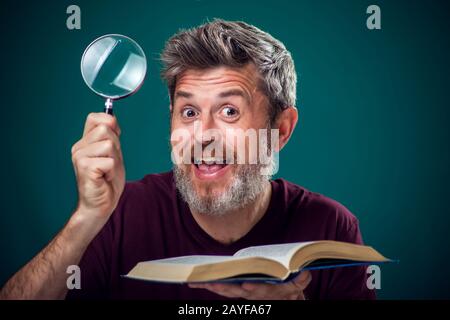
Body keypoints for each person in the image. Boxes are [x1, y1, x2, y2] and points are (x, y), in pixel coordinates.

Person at [0, 19, 375, 300]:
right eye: (189, 113)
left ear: (280, 130)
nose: (203, 135)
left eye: (229, 111)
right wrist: (85, 218)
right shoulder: (118, 213)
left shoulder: (331, 228)